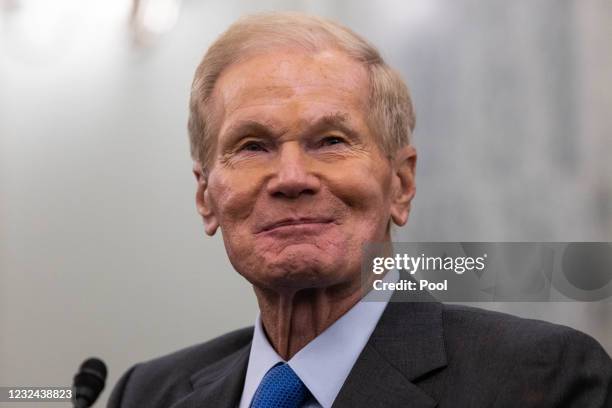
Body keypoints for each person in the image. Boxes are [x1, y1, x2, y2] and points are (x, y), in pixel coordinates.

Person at [108, 12, 612, 408]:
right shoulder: (149, 394)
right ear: (206, 197)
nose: (291, 178)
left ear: (401, 183)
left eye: (330, 140)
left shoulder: (540, 378)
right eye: (253, 146)